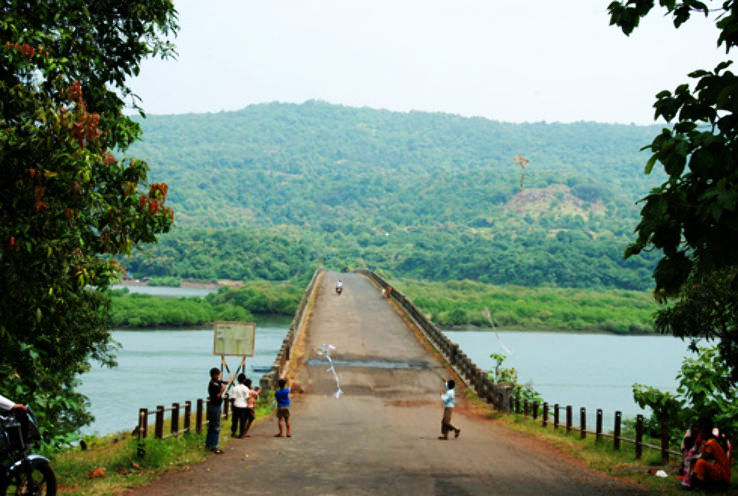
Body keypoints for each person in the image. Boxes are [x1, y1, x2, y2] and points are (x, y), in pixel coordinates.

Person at [682, 417, 731, 490]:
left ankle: (696, 485)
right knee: (696, 462)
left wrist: (693, 460)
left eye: (701, 431)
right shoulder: (706, 441)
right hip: (715, 471)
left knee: (700, 462)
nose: (699, 433)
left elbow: (704, 457)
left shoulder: (711, 442)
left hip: (721, 474)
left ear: (705, 431)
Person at [206, 367, 227, 453]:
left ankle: (209, 444)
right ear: (213, 375)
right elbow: (217, 395)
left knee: (211, 425)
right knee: (216, 426)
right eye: (217, 375)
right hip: (215, 406)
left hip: (214, 406)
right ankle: (214, 446)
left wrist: (224, 382)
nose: (218, 376)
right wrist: (222, 390)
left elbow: (220, 382)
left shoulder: (215, 382)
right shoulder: (213, 384)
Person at [439, 376, 460, 440]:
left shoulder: (449, 392)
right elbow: (448, 386)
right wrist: (445, 381)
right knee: (444, 421)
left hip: (449, 407)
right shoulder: (451, 390)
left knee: (446, 422)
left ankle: (456, 429)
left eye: (447, 384)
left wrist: (441, 394)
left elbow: (444, 399)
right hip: (448, 407)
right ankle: (445, 435)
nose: (447, 385)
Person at [230, 373, 249, 438]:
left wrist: (232, 405)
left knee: (235, 420)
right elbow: (247, 398)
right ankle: (241, 433)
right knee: (242, 421)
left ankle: (233, 432)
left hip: (236, 405)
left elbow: (233, 398)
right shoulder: (246, 388)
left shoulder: (235, 388)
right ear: (244, 380)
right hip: (243, 406)